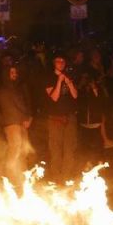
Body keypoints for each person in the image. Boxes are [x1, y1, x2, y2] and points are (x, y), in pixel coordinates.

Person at [0, 65, 32, 187]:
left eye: (15, 72)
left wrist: (29, 118)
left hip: (23, 123)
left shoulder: (21, 88)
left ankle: (22, 175)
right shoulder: (0, 90)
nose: (14, 74)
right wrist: (3, 122)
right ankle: (9, 174)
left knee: (24, 149)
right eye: (11, 72)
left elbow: (28, 103)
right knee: (15, 147)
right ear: (6, 74)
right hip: (10, 123)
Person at [45, 54, 79, 182]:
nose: (60, 63)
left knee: (69, 148)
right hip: (55, 118)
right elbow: (54, 97)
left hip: (70, 117)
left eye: (63, 61)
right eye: (58, 61)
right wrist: (59, 81)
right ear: (53, 63)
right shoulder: (49, 77)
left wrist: (69, 83)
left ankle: (66, 176)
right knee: (56, 149)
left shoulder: (69, 76)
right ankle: (56, 177)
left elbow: (75, 95)